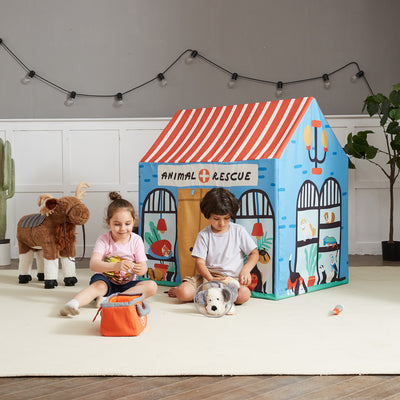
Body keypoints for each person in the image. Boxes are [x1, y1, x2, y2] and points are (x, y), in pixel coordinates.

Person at [60, 192, 157, 316]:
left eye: (127, 224)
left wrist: (141, 269)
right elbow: (93, 264)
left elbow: (143, 267)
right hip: (105, 281)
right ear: (108, 222)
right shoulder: (104, 239)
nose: (122, 228)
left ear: (134, 221)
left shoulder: (136, 240)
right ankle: (73, 304)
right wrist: (115, 266)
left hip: (127, 285)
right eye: (117, 224)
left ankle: (113, 300)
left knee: (152, 286)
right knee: (98, 286)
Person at [168, 187, 259, 305]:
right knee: (182, 293)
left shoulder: (239, 231)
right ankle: (211, 296)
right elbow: (200, 262)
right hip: (207, 276)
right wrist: (210, 278)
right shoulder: (204, 235)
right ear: (208, 215)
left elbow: (254, 253)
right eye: (216, 219)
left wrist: (246, 270)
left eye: (226, 218)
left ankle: (213, 296)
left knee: (244, 295)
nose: (222, 223)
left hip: (231, 279)